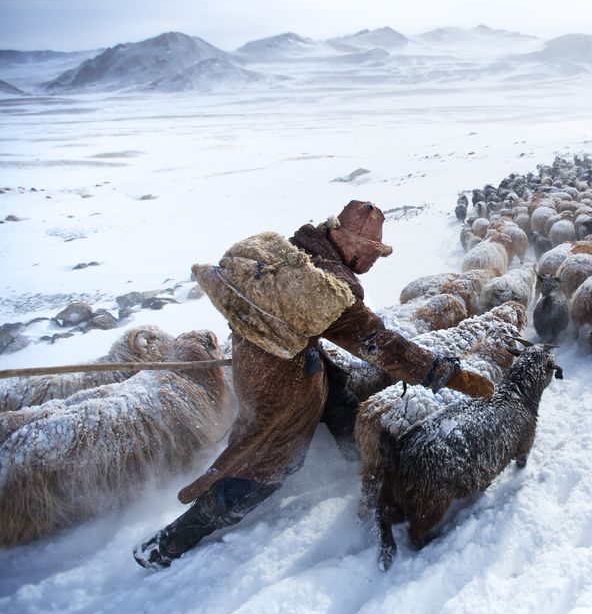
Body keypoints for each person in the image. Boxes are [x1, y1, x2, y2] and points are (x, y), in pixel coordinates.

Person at [134, 200, 494, 568]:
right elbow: (381, 345)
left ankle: (370, 475)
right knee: (268, 467)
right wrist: (444, 373)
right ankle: (169, 543)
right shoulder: (327, 289)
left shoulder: (300, 251)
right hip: (281, 382)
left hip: (264, 361)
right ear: (350, 243)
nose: (374, 262)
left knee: (342, 404)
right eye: (373, 252)